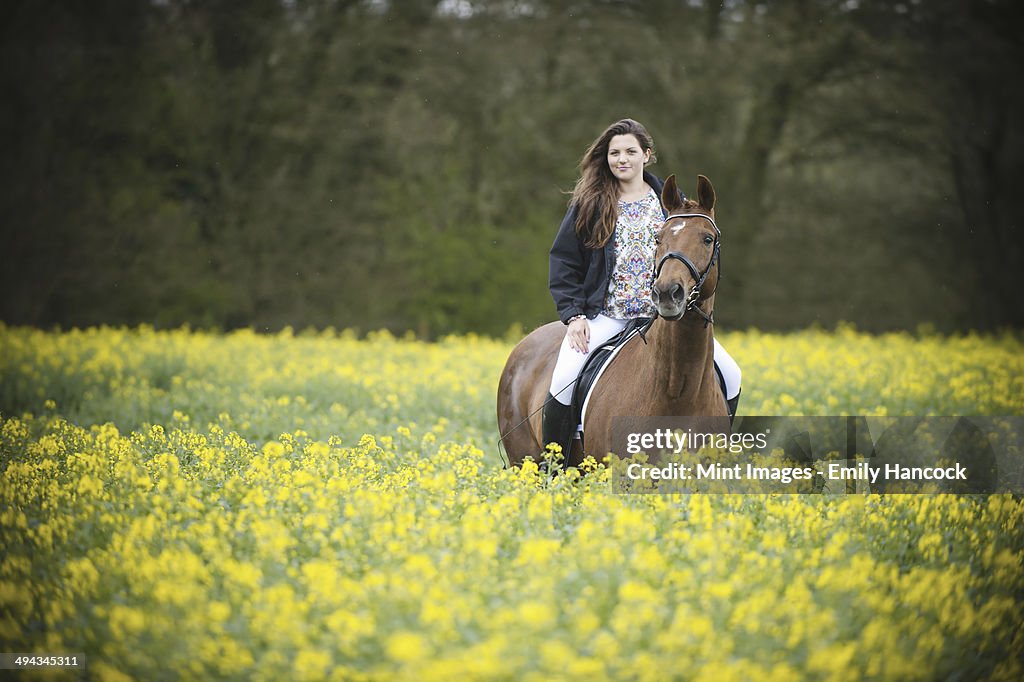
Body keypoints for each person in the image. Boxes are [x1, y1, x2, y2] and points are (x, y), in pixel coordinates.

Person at [542, 118, 742, 461]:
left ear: (646, 155)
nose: (622, 159)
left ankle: (718, 454)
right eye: (614, 153)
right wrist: (574, 315)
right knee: (563, 378)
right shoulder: (590, 203)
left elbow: (696, 247)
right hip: (608, 316)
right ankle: (553, 466)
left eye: (630, 152)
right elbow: (563, 262)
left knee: (732, 374)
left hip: (663, 317)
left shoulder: (670, 203)